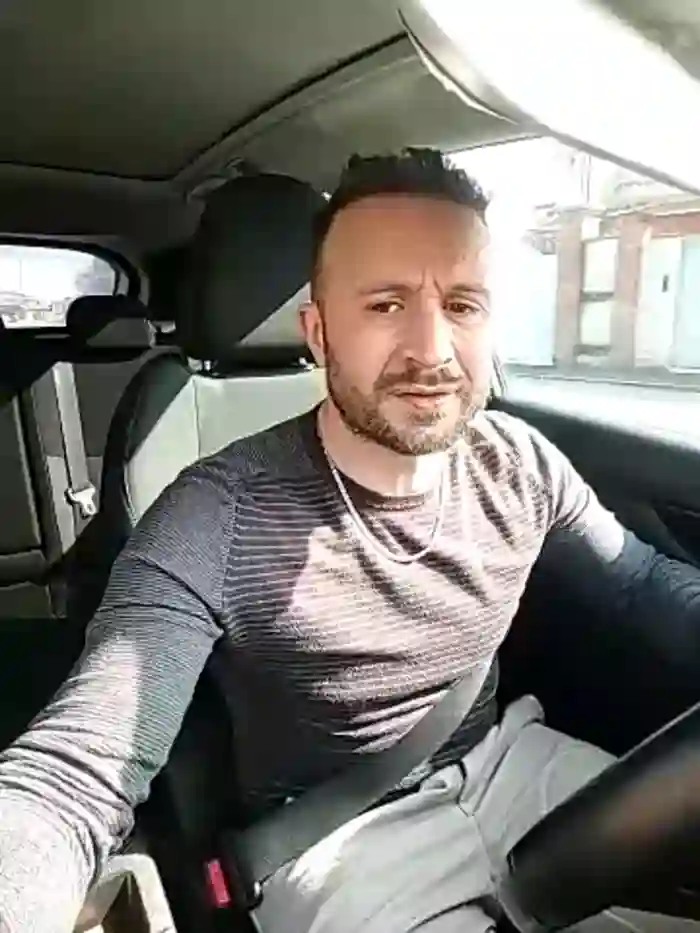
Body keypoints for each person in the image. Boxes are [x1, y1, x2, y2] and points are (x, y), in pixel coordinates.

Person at [0, 149, 698, 933]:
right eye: (386, 304)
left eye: (462, 303)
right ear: (319, 330)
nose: (432, 350)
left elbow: (640, 583)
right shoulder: (214, 515)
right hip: (335, 841)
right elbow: (74, 773)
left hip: (516, 763)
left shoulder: (519, 462)